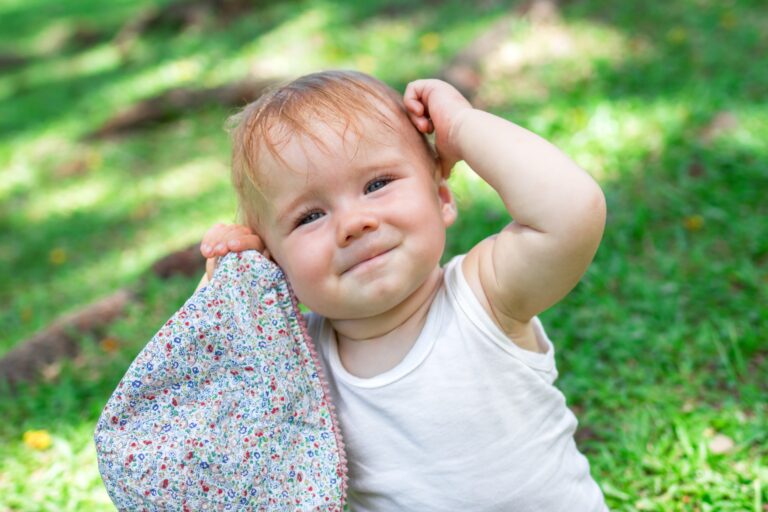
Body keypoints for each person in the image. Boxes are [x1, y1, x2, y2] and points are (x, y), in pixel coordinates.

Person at [196, 70, 608, 511]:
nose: (354, 224)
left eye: (376, 185)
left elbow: (572, 210)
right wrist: (230, 286)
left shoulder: (485, 295)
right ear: (275, 262)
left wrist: (463, 128)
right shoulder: (298, 361)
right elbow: (212, 411)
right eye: (309, 216)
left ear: (442, 198)